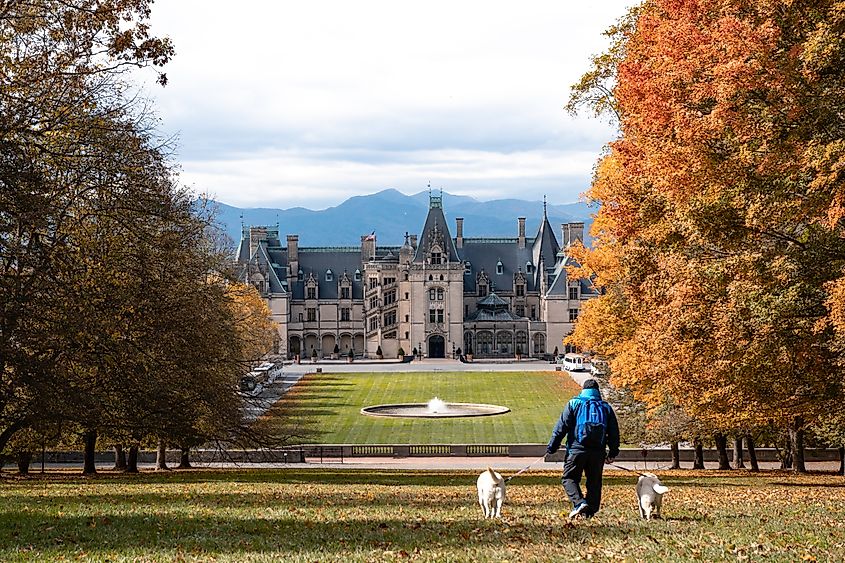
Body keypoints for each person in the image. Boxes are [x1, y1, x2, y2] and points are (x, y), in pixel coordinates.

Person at [546, 378, 620, 519]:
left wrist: (552, 447)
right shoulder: (605, 407)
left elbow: (561, 427)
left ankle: (579, 503)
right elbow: (614, 432)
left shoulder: (574, 403)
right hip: (597, 452)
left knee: (569, 478)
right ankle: (589, 512)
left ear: (583, 390)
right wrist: (613, 452)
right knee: (594, 482)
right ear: (597, 391)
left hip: (576, 450)